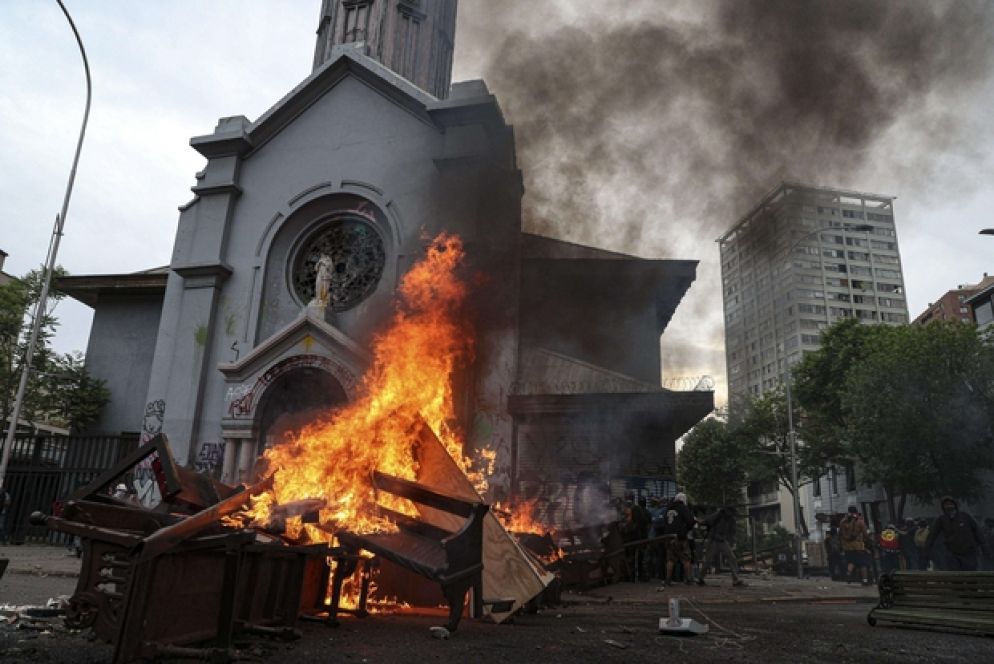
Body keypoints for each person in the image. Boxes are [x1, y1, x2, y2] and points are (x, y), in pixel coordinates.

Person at [924, 496, 986, 571]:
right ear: (943, 507)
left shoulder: (965, 516)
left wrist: (984, 547)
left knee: (970, 575)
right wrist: (926, 551)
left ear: (955, 505)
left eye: (950, 504)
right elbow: (932, 536)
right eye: (946, 505)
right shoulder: (941, 520)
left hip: (969, 553)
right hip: (953, 554)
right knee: (955, 575)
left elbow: (977, 531)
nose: (949, 506)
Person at [696, 505, 745, 587]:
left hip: (723, 541)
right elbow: (706, 521)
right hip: (713, 540)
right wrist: (699, 521)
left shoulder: (731, 519)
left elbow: (732, 532)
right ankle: (700, 578)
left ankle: (735, 579)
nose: (731, 515)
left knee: (732, 558)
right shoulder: (718, 515)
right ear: (727, 511)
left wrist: (733, 542)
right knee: (708, 560)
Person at [661, 492, 695, 586]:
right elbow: (690, 521)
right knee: (686, 558)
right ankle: (688, 579)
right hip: (681, 538)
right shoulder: (683, 507)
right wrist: (685, 531)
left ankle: (668, 580)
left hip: (669, 537)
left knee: (670, 559)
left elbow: (664, 522)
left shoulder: (668, 508)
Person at [839, 506, 870, 585]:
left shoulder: (843, 521)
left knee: (851, 561)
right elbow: (865, 533)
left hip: (847, 546)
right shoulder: (860, 521)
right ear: (856, 511)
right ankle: (865, 580)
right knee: (863, 563)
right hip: (858, 546)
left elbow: (841, 534)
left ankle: (848, 574)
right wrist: (867, 540)